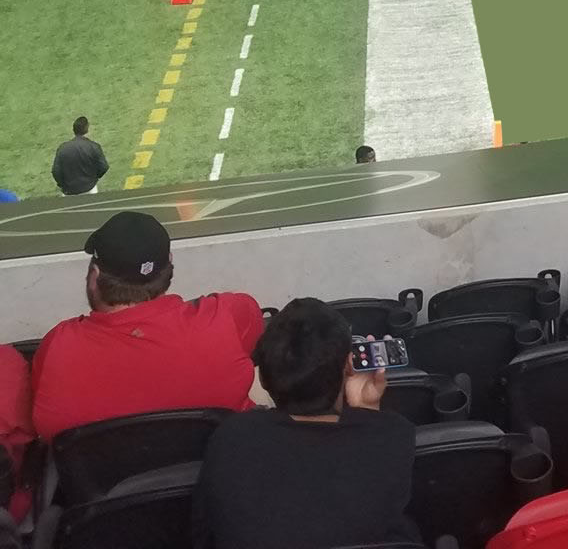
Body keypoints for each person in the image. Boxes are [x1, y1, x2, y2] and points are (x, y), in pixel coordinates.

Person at [192, 296, 420, 549]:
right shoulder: (393, 434)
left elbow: (203, 533)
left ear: (264, 378)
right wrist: (368, 411)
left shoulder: (233, 437)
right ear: (348, 366)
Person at [30, 211, 264, 438]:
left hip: (105, 476)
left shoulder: (59, 346)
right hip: (218, 470)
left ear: (95, 274)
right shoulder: (229, 315)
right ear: (169, 263)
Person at [52, 117, 108, 197]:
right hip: (90, 189)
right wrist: (94, 178)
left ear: (73, 130)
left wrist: (63, 185)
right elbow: (104, 167)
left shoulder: (62, 148)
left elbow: (56, 171)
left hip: (69, 192)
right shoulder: (93, 146)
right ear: (87, 129)